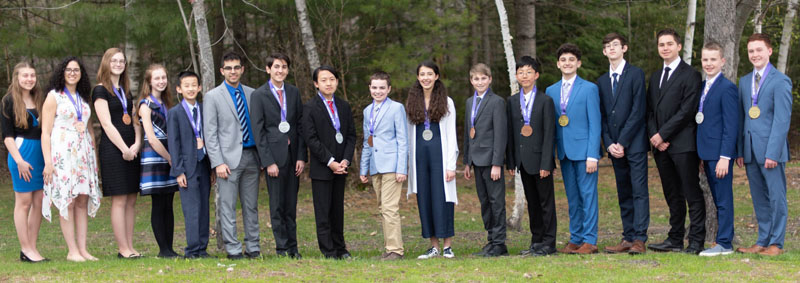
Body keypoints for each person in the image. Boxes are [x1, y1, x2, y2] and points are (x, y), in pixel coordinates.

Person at [645, 28, 705, 255]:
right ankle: (675, 238)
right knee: (672, 194)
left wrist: (663, 134)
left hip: (683, 145)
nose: (665, 48)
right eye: (661, 44)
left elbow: (686, 111)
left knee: (692, 193)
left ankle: (697, 241)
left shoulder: (691, 74)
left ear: (679, 46)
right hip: (660, 147)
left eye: (669, 44)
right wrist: (655, 137)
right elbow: (649, 110)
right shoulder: (655, 76)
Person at [735, 33, 792, 256]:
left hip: (771, 152)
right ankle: (762, 240)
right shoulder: (744, 81)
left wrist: (773, 153)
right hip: (749, 151)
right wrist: (740, 150)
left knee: (776, 198)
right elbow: (742, 118)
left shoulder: (780, 81)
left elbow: (781, 120)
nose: (755, 54)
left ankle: (776, 243)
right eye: (751, 51)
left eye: (759, 50)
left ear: (769, 51)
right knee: (759, 198)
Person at [41, 56, 101, 262]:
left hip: (83, 154)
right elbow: (45, 132)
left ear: (81, 73)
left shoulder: (83, 98)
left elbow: (89, 129)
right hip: (62, 154)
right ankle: (71, 250)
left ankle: (83, 249)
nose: (72, 73)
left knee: (82, 199)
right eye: (68, 70)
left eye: (76, 70)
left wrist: (94, 158)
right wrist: (48, 162)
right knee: (68, 200)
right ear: (62, 72)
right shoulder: (53, 97)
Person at [203, 52, 261, 259]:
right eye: (228, 68)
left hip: (252, 157)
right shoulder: (212, 97)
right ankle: (233, 249)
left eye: (236, 67)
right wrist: (217, 162)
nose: (233, 71)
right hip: (227, 161)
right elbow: (210, 134)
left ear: (242, 69)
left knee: (251, 206)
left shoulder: (253, 94)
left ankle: (253, 247)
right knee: (227, 207)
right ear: (222, 71)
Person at [596, 33, 650, 255]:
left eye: (615, 45)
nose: (612, 49)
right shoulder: (601, 81)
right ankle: (627, 237)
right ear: (604, 52)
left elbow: (638, 111)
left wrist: (623, 141)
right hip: (614, 149)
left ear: (624, 48)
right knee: (624, 192)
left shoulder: (635, 74)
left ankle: (639, 238)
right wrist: (609, 143)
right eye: (607, 46)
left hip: (634, 144)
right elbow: (603, 116)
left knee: (639, 191)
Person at [546, 43, 602, 255]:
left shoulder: (589, 88)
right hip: (564, 152)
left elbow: (594, 124)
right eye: (563, 60)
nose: (567, 63)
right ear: (558, 64)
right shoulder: (551, 90)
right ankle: (576, 238)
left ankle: (590, 239)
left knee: (588, 196)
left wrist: (592, 155)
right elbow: (551, 126)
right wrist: (551, 156)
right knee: (572, 198)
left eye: (571, 60)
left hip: (584, 153)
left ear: (578, 63)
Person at [251, 53, 307, 259]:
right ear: (268, 69)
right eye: (276, 67)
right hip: (274, 159)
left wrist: (301, 156)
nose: (280, 70)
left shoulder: (293, 92)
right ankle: (282, 248)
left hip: (293, 158)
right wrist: (268, 162)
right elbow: (258, 131)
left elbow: (300, 126)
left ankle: (294, 247)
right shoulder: (259, 95)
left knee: (291, 205)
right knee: (277, 206)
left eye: (284, 67)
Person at [301, 65, 356, 259]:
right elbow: (311, 139)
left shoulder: (344, 106)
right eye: (324, 80)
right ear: (316, 84)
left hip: (341, 167)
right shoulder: (309, 107)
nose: (328, 83)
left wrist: (345, 161)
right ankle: (329, 250)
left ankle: (341, 248)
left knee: (337, 211)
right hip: (323, 168)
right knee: (323, 212)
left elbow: (350, 135)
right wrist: (331, 161)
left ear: (337, 82)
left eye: (332, 79)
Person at [92, 48, 143, 259]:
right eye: (114, 60)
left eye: (122, 61)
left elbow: (135, 119)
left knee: (132, 199)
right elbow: (105, 123)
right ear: (106, 63)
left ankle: (131, 246)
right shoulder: (100, 90)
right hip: (115, 151)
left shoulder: (125, 90)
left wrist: (137, 145)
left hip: (132, 149)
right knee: (120, 199)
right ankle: (122, 248)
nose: (118, 64)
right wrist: (123, 149)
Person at [406, 61, 459, 259]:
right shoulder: (412, 101)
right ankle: (433, 246)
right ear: (418, 77)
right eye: (422, 74)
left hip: (440, 157)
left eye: (430, 74)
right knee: (425, 199)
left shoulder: (447, 101)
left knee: (442, 199)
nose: (426, 77)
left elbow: (452, 135)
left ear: (436, 76)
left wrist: (451, 165)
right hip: (420, 158)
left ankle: (447, 246)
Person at [506, 56, 557, 257]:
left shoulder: (545, 100)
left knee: (546, 203)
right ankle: (536, 241)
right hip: (522, 161)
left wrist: (547, 162)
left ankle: (549, 242)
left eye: (529, 72)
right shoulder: (511, 101)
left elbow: (548, 134)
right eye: (521, 72)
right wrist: (510, 160)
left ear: (536, 75)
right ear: (516, 76)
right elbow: (510, 133)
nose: (524, 76)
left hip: (540, 161)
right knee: (533, 203)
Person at [358, 71, 408, 261]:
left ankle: (396, 250)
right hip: (375, 166)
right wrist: (364, 169)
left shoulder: (396, 108)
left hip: (392, 166)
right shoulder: (366, 111)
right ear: (370, 89)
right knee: (382, 207)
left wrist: (402, 168)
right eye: (374, 87)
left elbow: (402, 140)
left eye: (382, 88)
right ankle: (389, 249)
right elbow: (367, 141)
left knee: (389, 208)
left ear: (389, 89)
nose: (378, 91)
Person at [695, 42, 740, 257]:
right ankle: (721, 241)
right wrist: (703, 156)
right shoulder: (703, 87)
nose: (709, 63)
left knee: (723, 201)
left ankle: (725, 243)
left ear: (722, 61)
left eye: (713, 59)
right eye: (705, 60)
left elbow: (731, 127)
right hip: (707, 154)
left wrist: (725, 157)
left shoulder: (727, 88)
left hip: (720, 156)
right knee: (715, 199)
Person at [2, 62, 47, 262]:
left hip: (40, 153)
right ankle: (25, 248)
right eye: (25, 75)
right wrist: (19, 160)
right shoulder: (8, 101)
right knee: (24, 202)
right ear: (16, 78)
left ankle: (32, 248)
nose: (29, 79)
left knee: (39, 202)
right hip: (22, 153)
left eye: (32, 75)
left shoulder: (39, 98)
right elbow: (7, 136)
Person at [462, 63, 508, 257]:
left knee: (496, 201)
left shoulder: (496, 102)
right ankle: (491, 240)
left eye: (483, 78)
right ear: (471, 81)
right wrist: (467, 161)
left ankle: (499, 244)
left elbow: (500, 134)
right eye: (476, 79)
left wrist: (497, 163)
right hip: (476, 160)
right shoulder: (469, 103)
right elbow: (467, 133)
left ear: (489, 79)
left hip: (491, 162)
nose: (479, 82)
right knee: (485, 202)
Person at [168, 71, 214, 259]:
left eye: (194, 85)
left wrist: (212, 167)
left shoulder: (205, 109)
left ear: (200, 87)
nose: (191, 88)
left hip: (204, 165)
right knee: (191, 209)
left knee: (204, 208)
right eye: (186, 85)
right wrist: (178, 171)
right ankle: (192, 249)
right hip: (187, 168)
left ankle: (202, 248)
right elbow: (174, 143)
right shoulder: (175, 113)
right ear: (179, 89)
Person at [137, 64, 180, 258]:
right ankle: (162, 249)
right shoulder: (145, 105)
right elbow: (152, 138)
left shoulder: (167, 103)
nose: (161, 81)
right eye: (157, 78)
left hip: (170, 157)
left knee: (169, 202)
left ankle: (170, 248)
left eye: (163, 77)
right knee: (158, 203)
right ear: (149, 82)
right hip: (156, 157)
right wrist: (170, 157)